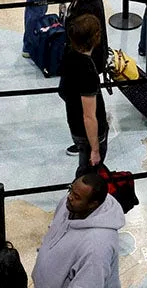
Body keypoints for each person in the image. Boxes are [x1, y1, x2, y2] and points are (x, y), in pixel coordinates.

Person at [31, 173, 124, 288]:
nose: (70, 197)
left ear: (92, 204)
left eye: (77, 197)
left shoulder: (97, 247)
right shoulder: (69, 204)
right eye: (71, 190)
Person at [59, 14, 109, 175]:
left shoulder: (68, 54)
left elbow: (63, 91)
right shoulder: (87, 69)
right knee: (88, 173)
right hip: (88, 132)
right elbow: (89, 116)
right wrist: (95, 149)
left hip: (74, 123)